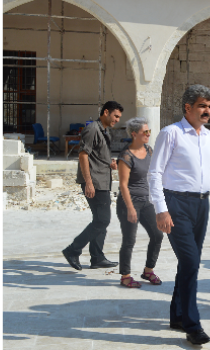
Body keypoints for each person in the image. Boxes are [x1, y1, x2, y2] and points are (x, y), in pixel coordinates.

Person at [148, 85, 210, 346]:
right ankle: (192, 324)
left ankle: (177, 315)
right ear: (187, 108)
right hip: (176, 204)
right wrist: (161, 209)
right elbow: (154, 174)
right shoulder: (171, 134)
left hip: (202, 205)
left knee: (188, 264)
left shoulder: (209, 138)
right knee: (190, 263)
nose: (207, 111)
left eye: (209, 107)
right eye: (202, 106)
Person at [62, 101, 123, 271]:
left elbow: (96, 155)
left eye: (119, 117)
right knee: (103, 220)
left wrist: (109, 162)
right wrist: (88, 182)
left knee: (100, 220)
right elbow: (83, 155)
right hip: (94, 182)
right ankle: (73, 250)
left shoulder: (104, 131)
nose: (117, 120)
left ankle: (97, 257)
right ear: (106, 112)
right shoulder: (92, 129)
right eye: (115, 116)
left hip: (103, 180)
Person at [115, 117, 164, 288]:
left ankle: (148, 270)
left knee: (157, 235)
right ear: (134, 134)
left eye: (149, 131)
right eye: (146, 132)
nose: (149, 134)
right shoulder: (126, 156)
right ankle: (125, 276)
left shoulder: (149, 151)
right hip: (129, 203)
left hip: (146, 201)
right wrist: (130, 207)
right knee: (129, 239)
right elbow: (122, 184)